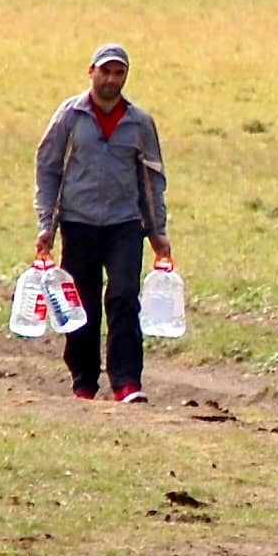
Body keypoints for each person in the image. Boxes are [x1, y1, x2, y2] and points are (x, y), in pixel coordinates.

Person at [35, 43, 172, 403]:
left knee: (125, 296)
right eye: (105, 71)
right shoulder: (69, 116)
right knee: (82, 303)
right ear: (91, 71)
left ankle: (127, 381)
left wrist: (158, 232)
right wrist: (46, 224)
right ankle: (84, 380)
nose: (111, 79)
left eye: (119, 73)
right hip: (78, 223)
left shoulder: (140, 123)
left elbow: (153, 179)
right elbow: (48, 168)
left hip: (125, 223)